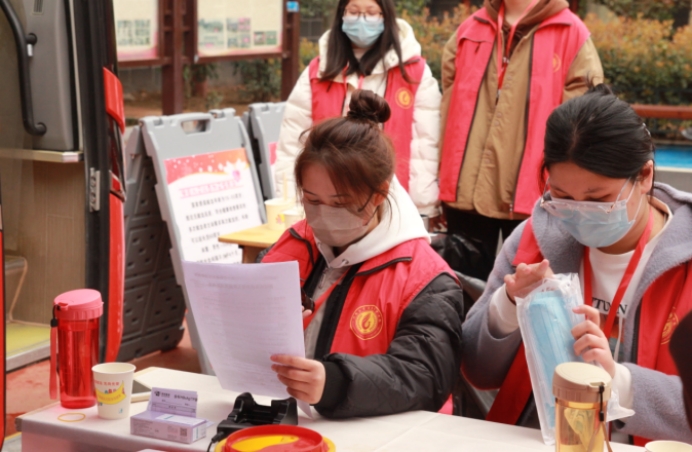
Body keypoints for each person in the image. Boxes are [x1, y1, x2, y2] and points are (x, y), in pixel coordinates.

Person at [462, 85, 692, 445]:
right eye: (563, 197)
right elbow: (477, 370)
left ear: (645, 176)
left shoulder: (684, 258)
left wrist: (618, 381)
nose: (580, 213)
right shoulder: (533, 240)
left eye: (599, 199)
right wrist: (508, 307)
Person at [263, 90, 463, 418]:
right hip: (293, 424)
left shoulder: (425, 279)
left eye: (340, 203)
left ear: (379, 194)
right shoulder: (295, 244)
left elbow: (425, 376)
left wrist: (335, 382)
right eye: (312, 200)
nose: (323, 215)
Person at [438, 0, 604, 279]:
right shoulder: (471, 29)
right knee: (462, 287)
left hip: (536, 191)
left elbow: (584, 116)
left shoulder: (570, 31)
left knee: (532, 291)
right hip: (466, 187)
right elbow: (447, 107)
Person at [274, 0, 442, 223]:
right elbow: (292, 144)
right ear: (341, 15)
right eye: (353, 11)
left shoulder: (414, 73)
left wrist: (423, 206)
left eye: (371, 13)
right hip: (327, 204)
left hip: (395, 205)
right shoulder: (318, 72)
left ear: (386, 17)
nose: (362, 20)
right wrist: (291, 202)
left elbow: (426, 146)